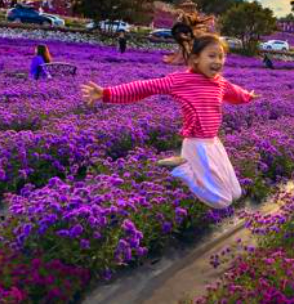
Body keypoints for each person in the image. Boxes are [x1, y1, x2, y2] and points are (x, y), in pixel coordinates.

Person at [81, 35, 258, 209]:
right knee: (222, 201)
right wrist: (107, 93)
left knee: (236, 193)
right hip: (197, 145)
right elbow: (145, 87)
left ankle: (186, 167)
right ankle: (183, 170)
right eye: (212, 56)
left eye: (221, 56)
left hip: (214, 143)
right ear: (195, 59)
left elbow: (235, 93)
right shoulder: (180, 81)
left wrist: (248, 96)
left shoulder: (220, 83)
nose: (218, 61)